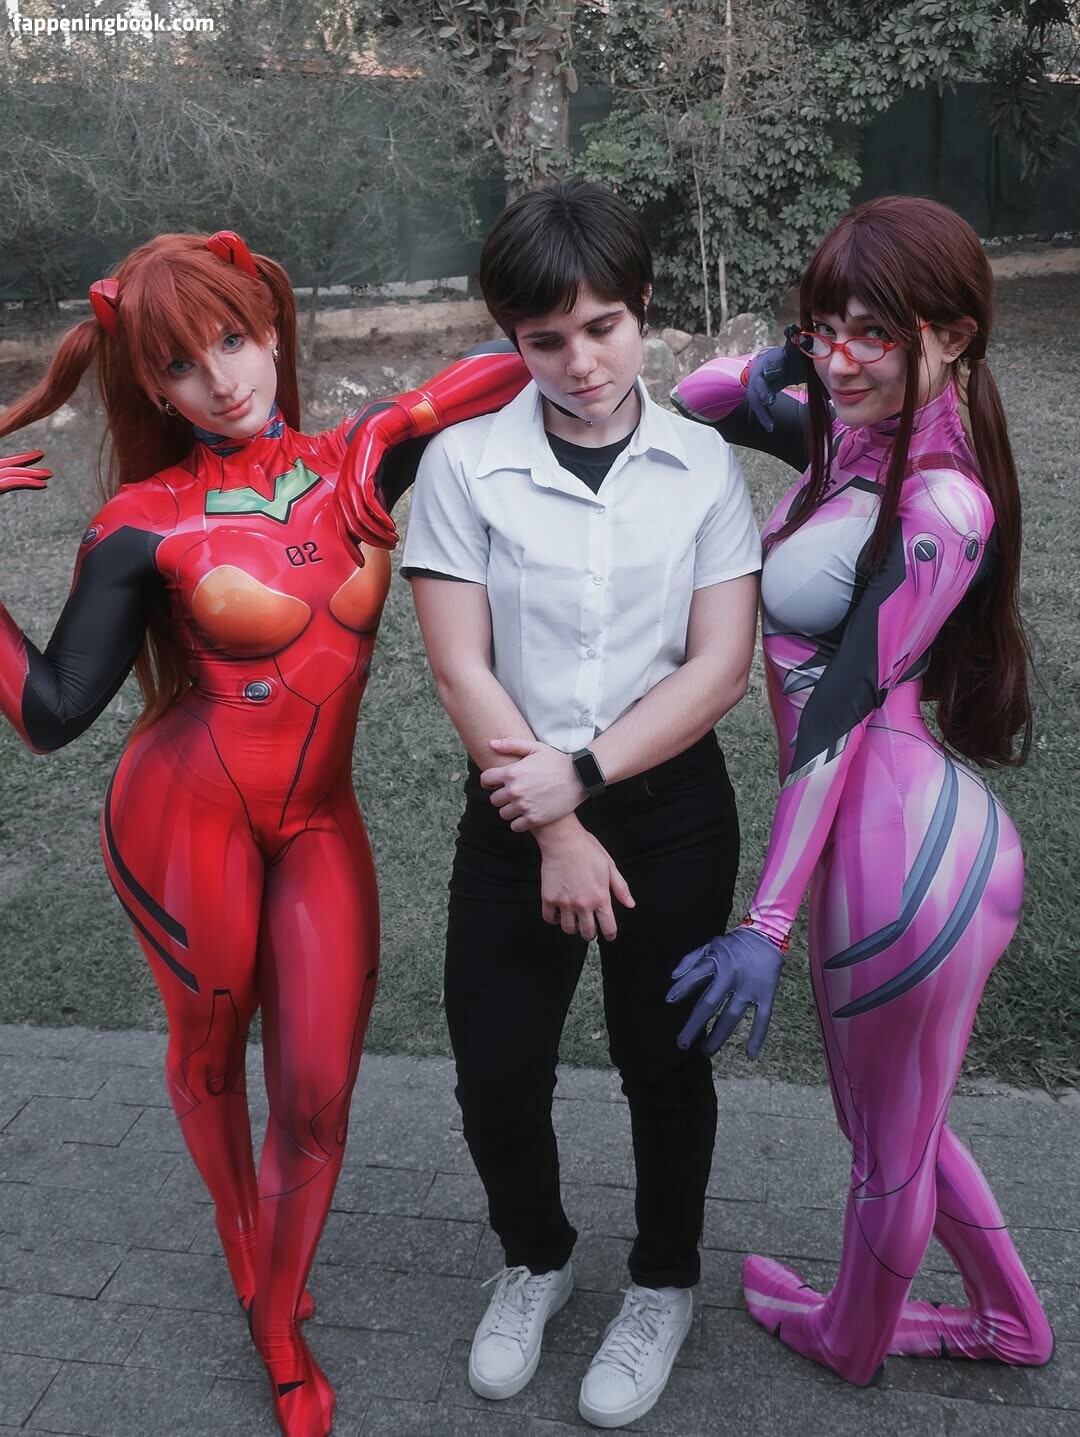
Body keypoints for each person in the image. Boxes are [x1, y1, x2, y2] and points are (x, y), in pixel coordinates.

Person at [0, 230, 528, 1437]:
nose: (221, 380)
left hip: (317, 821)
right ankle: (266, 1298)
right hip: (186, 816)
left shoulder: (355, 458)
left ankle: (276, 1302)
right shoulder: (141, 522)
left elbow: (516, 362)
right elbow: (50, 713)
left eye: (233, 340)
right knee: (210, 1053)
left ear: (273, 328)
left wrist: (394, 430)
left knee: (319, 1093)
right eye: (181, 366)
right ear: (154, 389)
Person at [667, 195, 1054, 1386]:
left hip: (903, 852)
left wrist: (764, 926)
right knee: (900, 1122)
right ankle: (1011, 1323)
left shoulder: (941, 505)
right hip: (895, 840)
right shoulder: (854, 443)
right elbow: (697, 399)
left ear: (954, 335)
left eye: (872, 333)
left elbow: (836, 717)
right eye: (824, 330)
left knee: (883, 1138)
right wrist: (793, 360)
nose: (839, 361)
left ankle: (850, 1337)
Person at [400, 180, 761, 1429]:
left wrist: (590, 780)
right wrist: (553, 821)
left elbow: (720, 666)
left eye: (603, 327)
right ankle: (537, 1259)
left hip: (672, 813)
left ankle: (662, 1283)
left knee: (665, 1066)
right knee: (497, 1069)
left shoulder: (703, 464)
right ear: (511, 336)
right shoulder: (465, 464)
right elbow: (462, 666)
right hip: (513, 811)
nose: (582, 363)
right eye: (545, 339)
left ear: (642, 307)